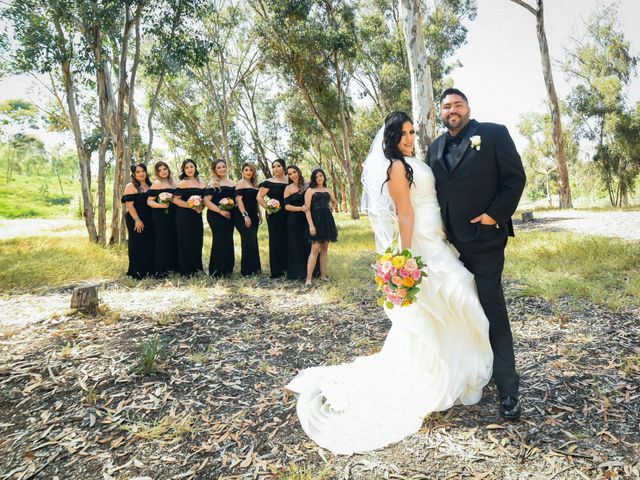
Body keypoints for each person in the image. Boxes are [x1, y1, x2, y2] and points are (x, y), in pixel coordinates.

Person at [286, 111, 495, 455]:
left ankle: (456, 369)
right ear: (392, 137)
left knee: (451, 301)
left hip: (437, 235)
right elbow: (404, 212)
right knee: (455, 296)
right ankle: (442, 373)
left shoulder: (415, 160)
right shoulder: (397, 166)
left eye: (412, 132)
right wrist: (407, 256)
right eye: (404, 134)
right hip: (421, 241)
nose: (410, 138)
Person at [426, 88, 526, 420]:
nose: (451, 110)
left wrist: (494, 216)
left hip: (484, 241)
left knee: (491, 305)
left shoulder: (493, 134)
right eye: (446, 106)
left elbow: (515, 179)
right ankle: (472, 374)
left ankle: (508, 388)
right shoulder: (434, 148)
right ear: (440, 113)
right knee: (459, 310)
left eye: (457, 105)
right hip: (448, 248)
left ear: (468, 107)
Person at [304, 168, 338, 286]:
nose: (319, 178)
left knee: (325, 248)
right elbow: (307, 210)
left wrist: (331, 208)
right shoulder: (310, 191)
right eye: (317, 176)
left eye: (321, 175)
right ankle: (308, 279)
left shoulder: (328, 190)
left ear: (324, 177)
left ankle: (323, 276)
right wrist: (311, 225)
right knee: (315, 248)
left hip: (327, 221)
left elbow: (334, 201)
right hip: (316, 222)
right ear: (314, 178)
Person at [173, 159, 206, 276]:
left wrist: (200, 208)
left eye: (191, 166)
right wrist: (190, 205)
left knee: (197, 240)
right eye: (186, 167)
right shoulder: (182, 183)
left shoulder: (202, 183)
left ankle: (197, 268)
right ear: (183, 170)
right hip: (183, 215)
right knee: (185, 240)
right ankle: (187, 270)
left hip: (197, 215)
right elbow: (175, 199)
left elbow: (205, 200)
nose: (189, 169)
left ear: (195, 167)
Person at [121, 163, 155, 278]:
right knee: (137, 244)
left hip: (150, 219)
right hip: (135, 218)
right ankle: (137, 271)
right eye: (138, 172)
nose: (141, 174)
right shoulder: (131, 186)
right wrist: (137, 220)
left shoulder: (151, 185)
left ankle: (149, 270)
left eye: (143, 171)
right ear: (134, 174)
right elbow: (129, 205)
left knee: (150, 244)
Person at [204, 159, 236, 277]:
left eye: (223, 166)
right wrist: (220, 211)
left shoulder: (232, 183)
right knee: (219, 240)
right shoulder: (213, 184)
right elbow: (206, 201)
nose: (222, 169)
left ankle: (227, 268)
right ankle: (217, 270)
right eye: (219, 167)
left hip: (229, 215)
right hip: (216, 215)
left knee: (228, 239)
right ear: (214, 170)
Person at [257, 159, 289, 278]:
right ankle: (277, 270)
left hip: (290, 214)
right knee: (276, 240)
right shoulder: (269, 182)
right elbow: (259, 197)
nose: (275, 169)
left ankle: (289, 267)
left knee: (288, 239)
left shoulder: (290, 180)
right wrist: (268, 207)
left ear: (284, 167)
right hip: (274, 214)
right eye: (273, 166)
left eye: (278, 166)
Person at [147, 161, 179, 277]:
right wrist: (161, 205)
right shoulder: (157, 184)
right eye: (159, 170)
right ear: (157, 172)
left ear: (168, 169)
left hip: (173, 214)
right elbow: (149, 201)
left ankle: (173, 267)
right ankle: (160, 269)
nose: (163, 172)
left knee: (173, 240)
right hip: (161, 215)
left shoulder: (173, 182)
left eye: (164, 169)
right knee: (162, 241)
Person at [234, 162, 262, 276]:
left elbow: (256, 201)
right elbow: (238, 200)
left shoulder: (254, 184)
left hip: (253, 215)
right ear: (242, 172)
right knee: (247, 240)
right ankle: (247, 271)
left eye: (251, 170)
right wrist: (245, 215)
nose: (249, 172)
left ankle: (255, 269)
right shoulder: (241, 183)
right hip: (242, 215)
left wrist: (260, 213)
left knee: (253, 240)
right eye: (246, 170)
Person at [283, 165, 310, 281]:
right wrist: (300, 209)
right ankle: (297, 273)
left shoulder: (308, 184)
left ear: (298, 171)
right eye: (289, 174)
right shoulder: (288, 188)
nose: (293, 175)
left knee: (308, 244)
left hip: (307, 219)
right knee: (296, 244)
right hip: (294, 220)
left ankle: (311, 271)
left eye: (294, 172)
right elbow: (287, 206)